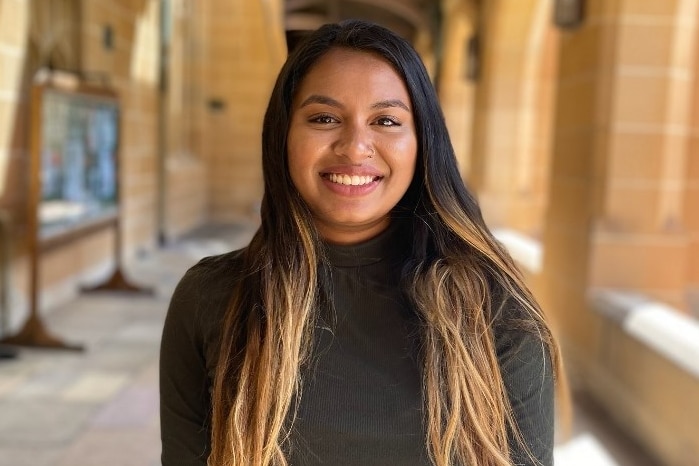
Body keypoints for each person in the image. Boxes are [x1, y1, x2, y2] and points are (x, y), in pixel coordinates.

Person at [160, 19, 561, 466]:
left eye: (386, 120)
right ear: (283, 136)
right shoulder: (210, 297)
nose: (355, 147)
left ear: (422, 143)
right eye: (325, 118)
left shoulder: (495, 312)